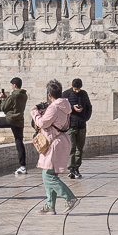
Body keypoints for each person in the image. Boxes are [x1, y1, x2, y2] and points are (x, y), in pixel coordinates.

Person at [32, 81, 79, 214]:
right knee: (49, 172)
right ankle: (50, 205)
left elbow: (42, 123)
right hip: (61, 140)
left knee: (48, 175)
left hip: (54, 143)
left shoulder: (54, 107)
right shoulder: (65, 105)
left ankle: (70, 198)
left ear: (49, 94)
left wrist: (35, 112)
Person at [63, 78, 93, 178]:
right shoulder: (66, 94)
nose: (77, 91)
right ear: (72, 86)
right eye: (76, 89)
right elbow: (62, 108)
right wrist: (72, 108)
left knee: (79, 148)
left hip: (81, 125)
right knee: (71, 148)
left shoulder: (84, 94)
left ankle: (76, 168)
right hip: (71, 125)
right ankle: (71, 168)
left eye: (79, 89)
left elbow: (89, 106)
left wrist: (86, 117)